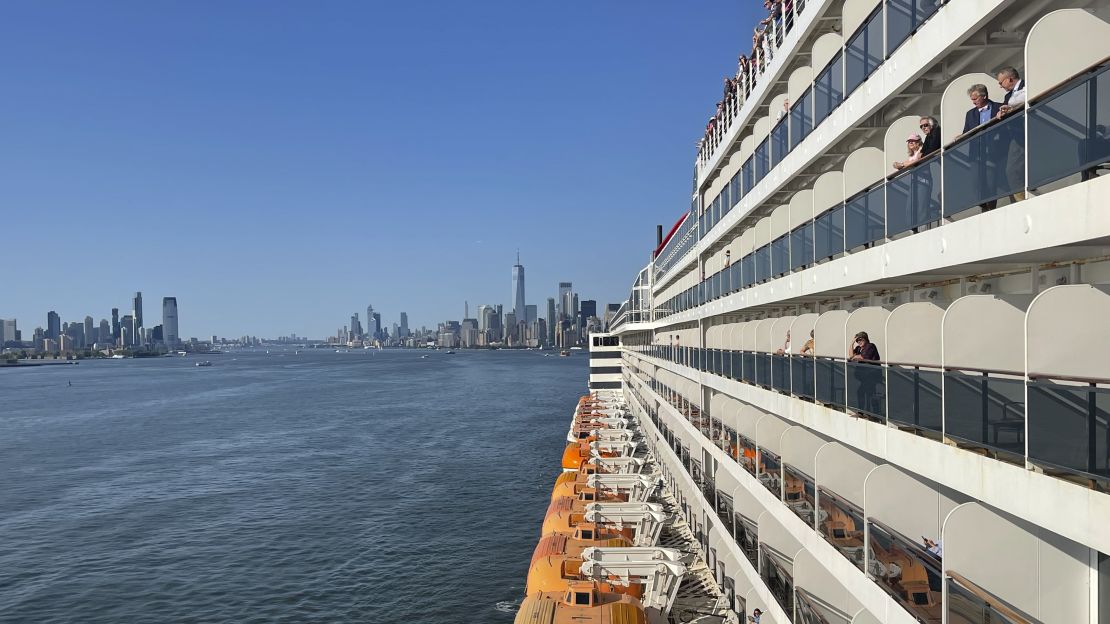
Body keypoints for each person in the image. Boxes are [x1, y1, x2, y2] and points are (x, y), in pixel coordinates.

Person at [962, 84, 1004, 211]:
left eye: (975, 99)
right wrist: (960, 137)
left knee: (991, 182)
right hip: (976, 153)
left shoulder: (998, 107)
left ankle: (990, 209)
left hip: (993, 150)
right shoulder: (970, 114)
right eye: (972, 99)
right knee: (976, 183)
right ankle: (983, 206)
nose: (973, 102)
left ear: (984, 96)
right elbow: (966, 132)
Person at [996, 67, 1027, 203]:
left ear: (1009, 79)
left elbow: (1026, 98)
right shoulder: (1007, 96)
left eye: (1000, 82)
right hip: (1016, 136)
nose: (1000, 86)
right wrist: (1001, 112)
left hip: (1027, 131)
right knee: (1012, 170)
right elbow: (1006, 105)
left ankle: (1023, 199)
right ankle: (1021, 199)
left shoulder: (1027, 85)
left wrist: (1010, 107)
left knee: (1013, 170)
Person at [849, 331, 882, 415]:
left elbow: (862, 357)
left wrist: (854, 357)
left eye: (861, 339)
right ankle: (867, 412)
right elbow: (850, 356)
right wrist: (852, 343)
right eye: (857, 340)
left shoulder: (870, 346)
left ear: (866, 339)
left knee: (868, 392)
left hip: (873, 375)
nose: (859, 342)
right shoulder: (859, 348)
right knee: (865, 392)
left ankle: (870, 413)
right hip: (866, 376)